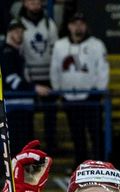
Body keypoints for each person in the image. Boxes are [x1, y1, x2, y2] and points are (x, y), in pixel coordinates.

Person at [50, 13, 108, 165]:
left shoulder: (96, 44)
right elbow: (54, 69)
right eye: (75, 23)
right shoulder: (59, 45)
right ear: (69, 26)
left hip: (91, 97)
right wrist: (59, 91)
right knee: (77, 134)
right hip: (69, 97)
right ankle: (80, 166)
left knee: (96, 133)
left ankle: (101, 166)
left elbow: (103, 69)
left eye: (81, 23)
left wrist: (98, 91)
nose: (78, 27)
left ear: (86, 25)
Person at [15, 0, 55, 152]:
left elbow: (54, 49)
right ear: (24, 3)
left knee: (50, 115)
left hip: (48, 77)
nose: (35, 5)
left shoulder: (48, 23)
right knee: (28, 117)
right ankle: (31, 151)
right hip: (29, 78)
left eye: (37, 2)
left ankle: (51, 147)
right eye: (31, 2)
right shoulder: (18, 23)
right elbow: (18, 51)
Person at [1, 20, 35, 147]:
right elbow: (11, 79)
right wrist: (34, 88)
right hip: (14, 106)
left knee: (24, 144)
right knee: (18, 145)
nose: (19, 34)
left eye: (21, 32)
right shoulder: (6, 53)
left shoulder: (17, 52)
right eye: (16, 31)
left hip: (22, 105)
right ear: (9, 33)